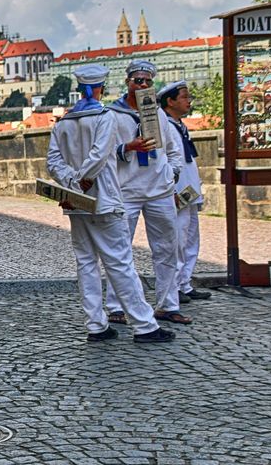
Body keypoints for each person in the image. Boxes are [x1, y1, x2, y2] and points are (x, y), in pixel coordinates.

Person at [46, 65, 173, 343]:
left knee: (86, 263)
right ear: (101, 87)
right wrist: (83, 180)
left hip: (75, 202)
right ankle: (144, 325)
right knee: (120, 262)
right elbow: (100, 155)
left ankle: (96, 325)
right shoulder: (105, 117)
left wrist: (71, 183)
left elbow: (53, 162)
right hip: (103, 198)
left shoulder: (63, 122)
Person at [104, 60, 190, 325]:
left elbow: (174, 149)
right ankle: (116, 305)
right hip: (127, 189)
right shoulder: (112, 114)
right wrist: (127, 147)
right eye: (137, 81)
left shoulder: (158, 113)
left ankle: (167, 303)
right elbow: (103, 152)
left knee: (167, 248)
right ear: (128, 82)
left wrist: (171, 173)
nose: (142, 86)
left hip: (159, 190)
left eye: (147, 82)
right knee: (119, 250)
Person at [158, 80, 212, 304]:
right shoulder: (167, 127)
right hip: (177, 191)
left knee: (190, 239)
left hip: (189, 191)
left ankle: (185, 283)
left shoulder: (179, 125)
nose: (188, 101)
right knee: (178, 240)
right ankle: (176, 285)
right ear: (170, 101)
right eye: (183, 97)